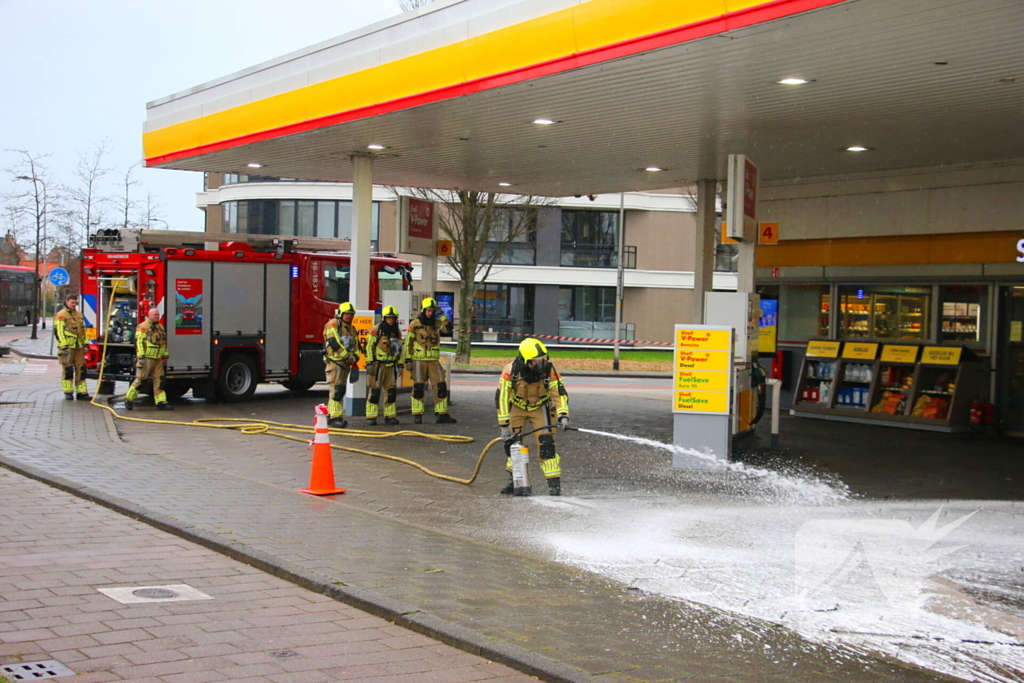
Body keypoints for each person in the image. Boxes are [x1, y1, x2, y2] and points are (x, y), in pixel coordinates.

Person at [496, 338, 570, 496]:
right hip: (517, 408)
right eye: (536, 360)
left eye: (542, 359)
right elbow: (502, 398)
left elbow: (559, 393)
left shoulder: (549, 370)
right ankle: (515, 481)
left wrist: (563, 414)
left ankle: (554, 484)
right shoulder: (511, 371)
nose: (540, 363)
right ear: (526, 361)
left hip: (540, 408)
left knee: (546, 444)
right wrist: (504, 425)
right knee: (514, 445)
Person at [404, 297, 456, 424]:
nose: (430, 313)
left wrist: (442, 314)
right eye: (428, 311)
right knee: (418, 387)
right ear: (423, 310)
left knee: (440, 385)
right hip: (418, 360)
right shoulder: (415, 324)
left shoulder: (437, 323)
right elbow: (408, 342)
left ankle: (442, 413)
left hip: (433, 361)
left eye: (432, 311)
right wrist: (407, 359)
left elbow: (448, 328)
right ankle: (417, 414)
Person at [125, 307, 172, 411]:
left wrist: (165, 354)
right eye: (155, 315)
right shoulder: (143, 327)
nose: (157, 316)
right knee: (141, 380)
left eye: (158, 315)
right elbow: (139, 342)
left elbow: (163, 342)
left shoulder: (160, 327)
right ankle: (129, 399)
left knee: (160, 381)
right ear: (149, 315)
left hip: (157, 359)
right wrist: (140, 356)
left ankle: (161, 402)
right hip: (146, 359)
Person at [365, 305, 405, 426]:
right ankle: (371, 416)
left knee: (391, 392)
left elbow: (401, 349)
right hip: (378, 366)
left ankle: (390, 416)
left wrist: (400, 364)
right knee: (375, 392)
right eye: (388, 318)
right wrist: (369, 363)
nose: (391, 320)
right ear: (384, 318)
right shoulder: (377, 330)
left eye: (393, 318)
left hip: (391, 366)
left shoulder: (397, 331)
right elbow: (369, 346)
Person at [323, 301, 359, 428]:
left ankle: (330, 415)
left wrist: (355, 357)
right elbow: (334, 342)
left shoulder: (351, 329)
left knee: (339, 390)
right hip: (335, 362)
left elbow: (355, 345)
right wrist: (347, 356)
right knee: (337, 390)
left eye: (350, 314)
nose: (348, 316)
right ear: (341, 314)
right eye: (346, 314)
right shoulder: (333, 324)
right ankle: (335, 418)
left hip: (345, 364)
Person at [54, 293, 90, 401]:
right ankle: (68, 392)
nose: (74, 304)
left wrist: (86, 343)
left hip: (79, 347)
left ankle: (82, 393)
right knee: (68, 370)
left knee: (81, 370)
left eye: (75, 302)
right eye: (72, 302)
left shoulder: (79, 314)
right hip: (68, 347)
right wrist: (63, 346)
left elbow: (83, 330)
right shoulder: (61, 315)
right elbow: (59, 331)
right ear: (67, 301)